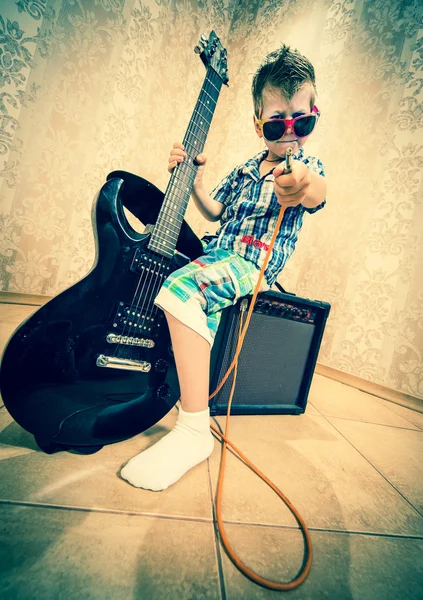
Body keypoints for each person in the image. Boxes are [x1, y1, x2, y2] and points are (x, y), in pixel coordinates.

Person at [120, 44, 327, 491]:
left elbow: (314, 192)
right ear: (258, 123)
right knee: (161, 276)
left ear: (314, 115)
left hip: (252, 264)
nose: (289, 132)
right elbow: (215, 213)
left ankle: (194, 429)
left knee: (182, 290)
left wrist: (301, 185)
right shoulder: (243, 170)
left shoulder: (306, 166)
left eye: (301, 120)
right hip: (216, 252)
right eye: (277, 122)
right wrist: (193, 181)